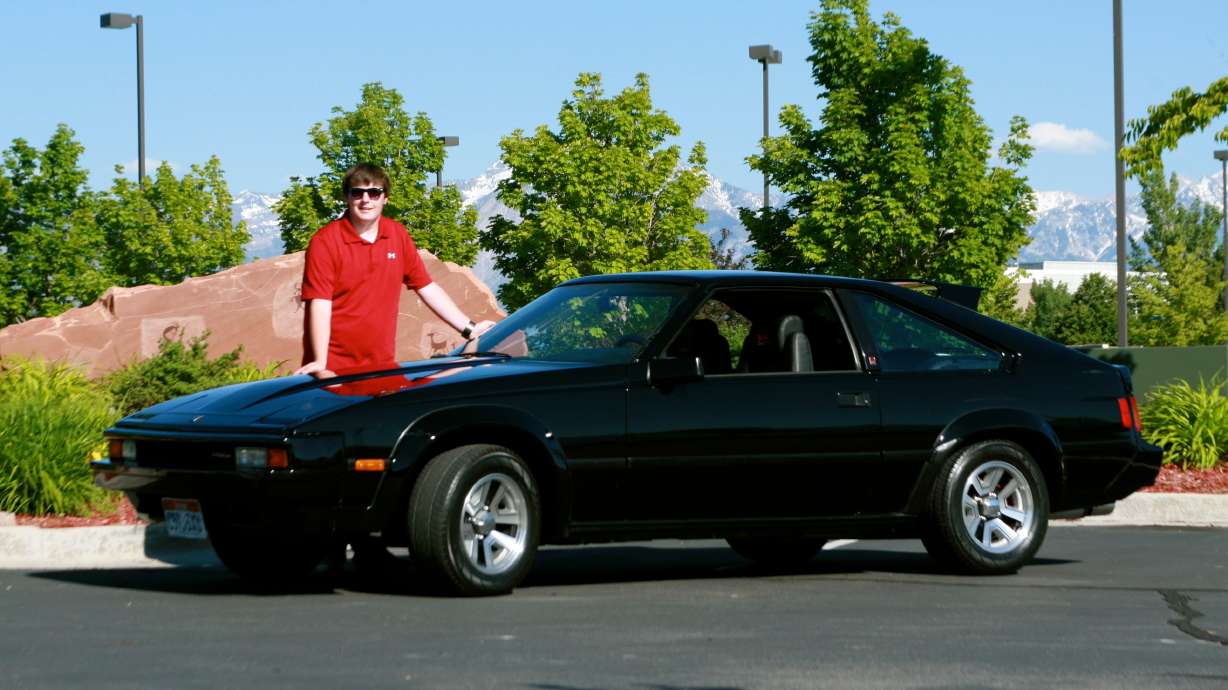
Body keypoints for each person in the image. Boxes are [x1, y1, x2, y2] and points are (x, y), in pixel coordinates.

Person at [293, 163, 495, 378]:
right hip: (333, 372)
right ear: (347, 197)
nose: (366, 200)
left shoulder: (397, 235)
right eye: (357, 193)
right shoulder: (325, 242)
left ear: (385, 198)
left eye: (374, 193)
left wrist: (470, 329)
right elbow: (320, 303)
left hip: (383, 368)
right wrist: (320, 363)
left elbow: (426, 287)